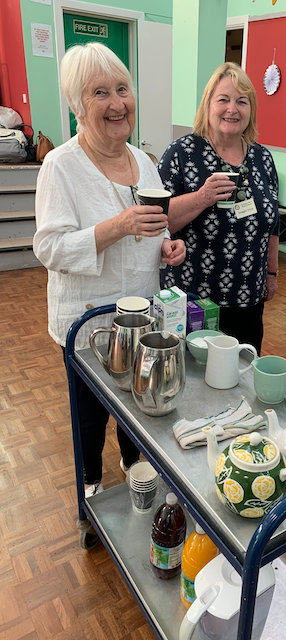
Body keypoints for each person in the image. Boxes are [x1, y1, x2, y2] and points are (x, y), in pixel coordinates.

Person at [33, 43, 186, 498]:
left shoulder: (144, 162)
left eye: (123, 89)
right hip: (86, 324)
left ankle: (132, 462)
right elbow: (50, 248)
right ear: (77, 107)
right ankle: (92, 484)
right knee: (89, 414)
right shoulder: (60, 166)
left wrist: (166, 248)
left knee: (138, 400)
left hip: (139, 315)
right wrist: (116, 226)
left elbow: (153, 232)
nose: (118, 103)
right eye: (101, 92)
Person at [157, 62, 280, 354]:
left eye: (242, 101)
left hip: (249, 298)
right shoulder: (182, 153)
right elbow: (158, 220)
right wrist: (202, 197)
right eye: (223, 99)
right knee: (194, 380)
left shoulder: (262, 158)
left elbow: (272, 223)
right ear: (208, 105)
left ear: (251, 110)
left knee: (242, 375)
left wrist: (272, 274)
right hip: (194, 300)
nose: (232, 109)